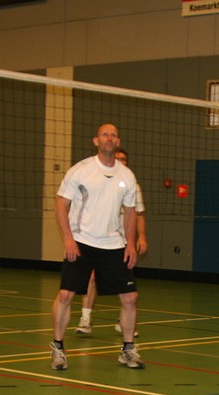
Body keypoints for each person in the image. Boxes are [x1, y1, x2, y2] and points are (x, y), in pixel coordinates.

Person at [51, 123, 143, 370]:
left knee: (130, 297)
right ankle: (58, 348)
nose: (109, 138)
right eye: (105, 135)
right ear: (96, 141)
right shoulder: (80, 170)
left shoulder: (127, 176)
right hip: (81, 242)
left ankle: (128, 350)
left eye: (113, 135)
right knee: (65, 295)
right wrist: (68, 239)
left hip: (114, 244)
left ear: (118, 141)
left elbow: (130, 212)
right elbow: (61, 204)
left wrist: (130, 244)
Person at [76, 147, 148, 336]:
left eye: (124, 160)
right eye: (118, 159)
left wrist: (141, 236)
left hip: (124, 242)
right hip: (101, 241)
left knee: (125, 286)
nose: (121, 162)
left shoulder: (132, 184)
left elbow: (139, 214)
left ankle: (123, 323)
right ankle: (85, 320)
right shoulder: (98, 180)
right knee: (92, 278)